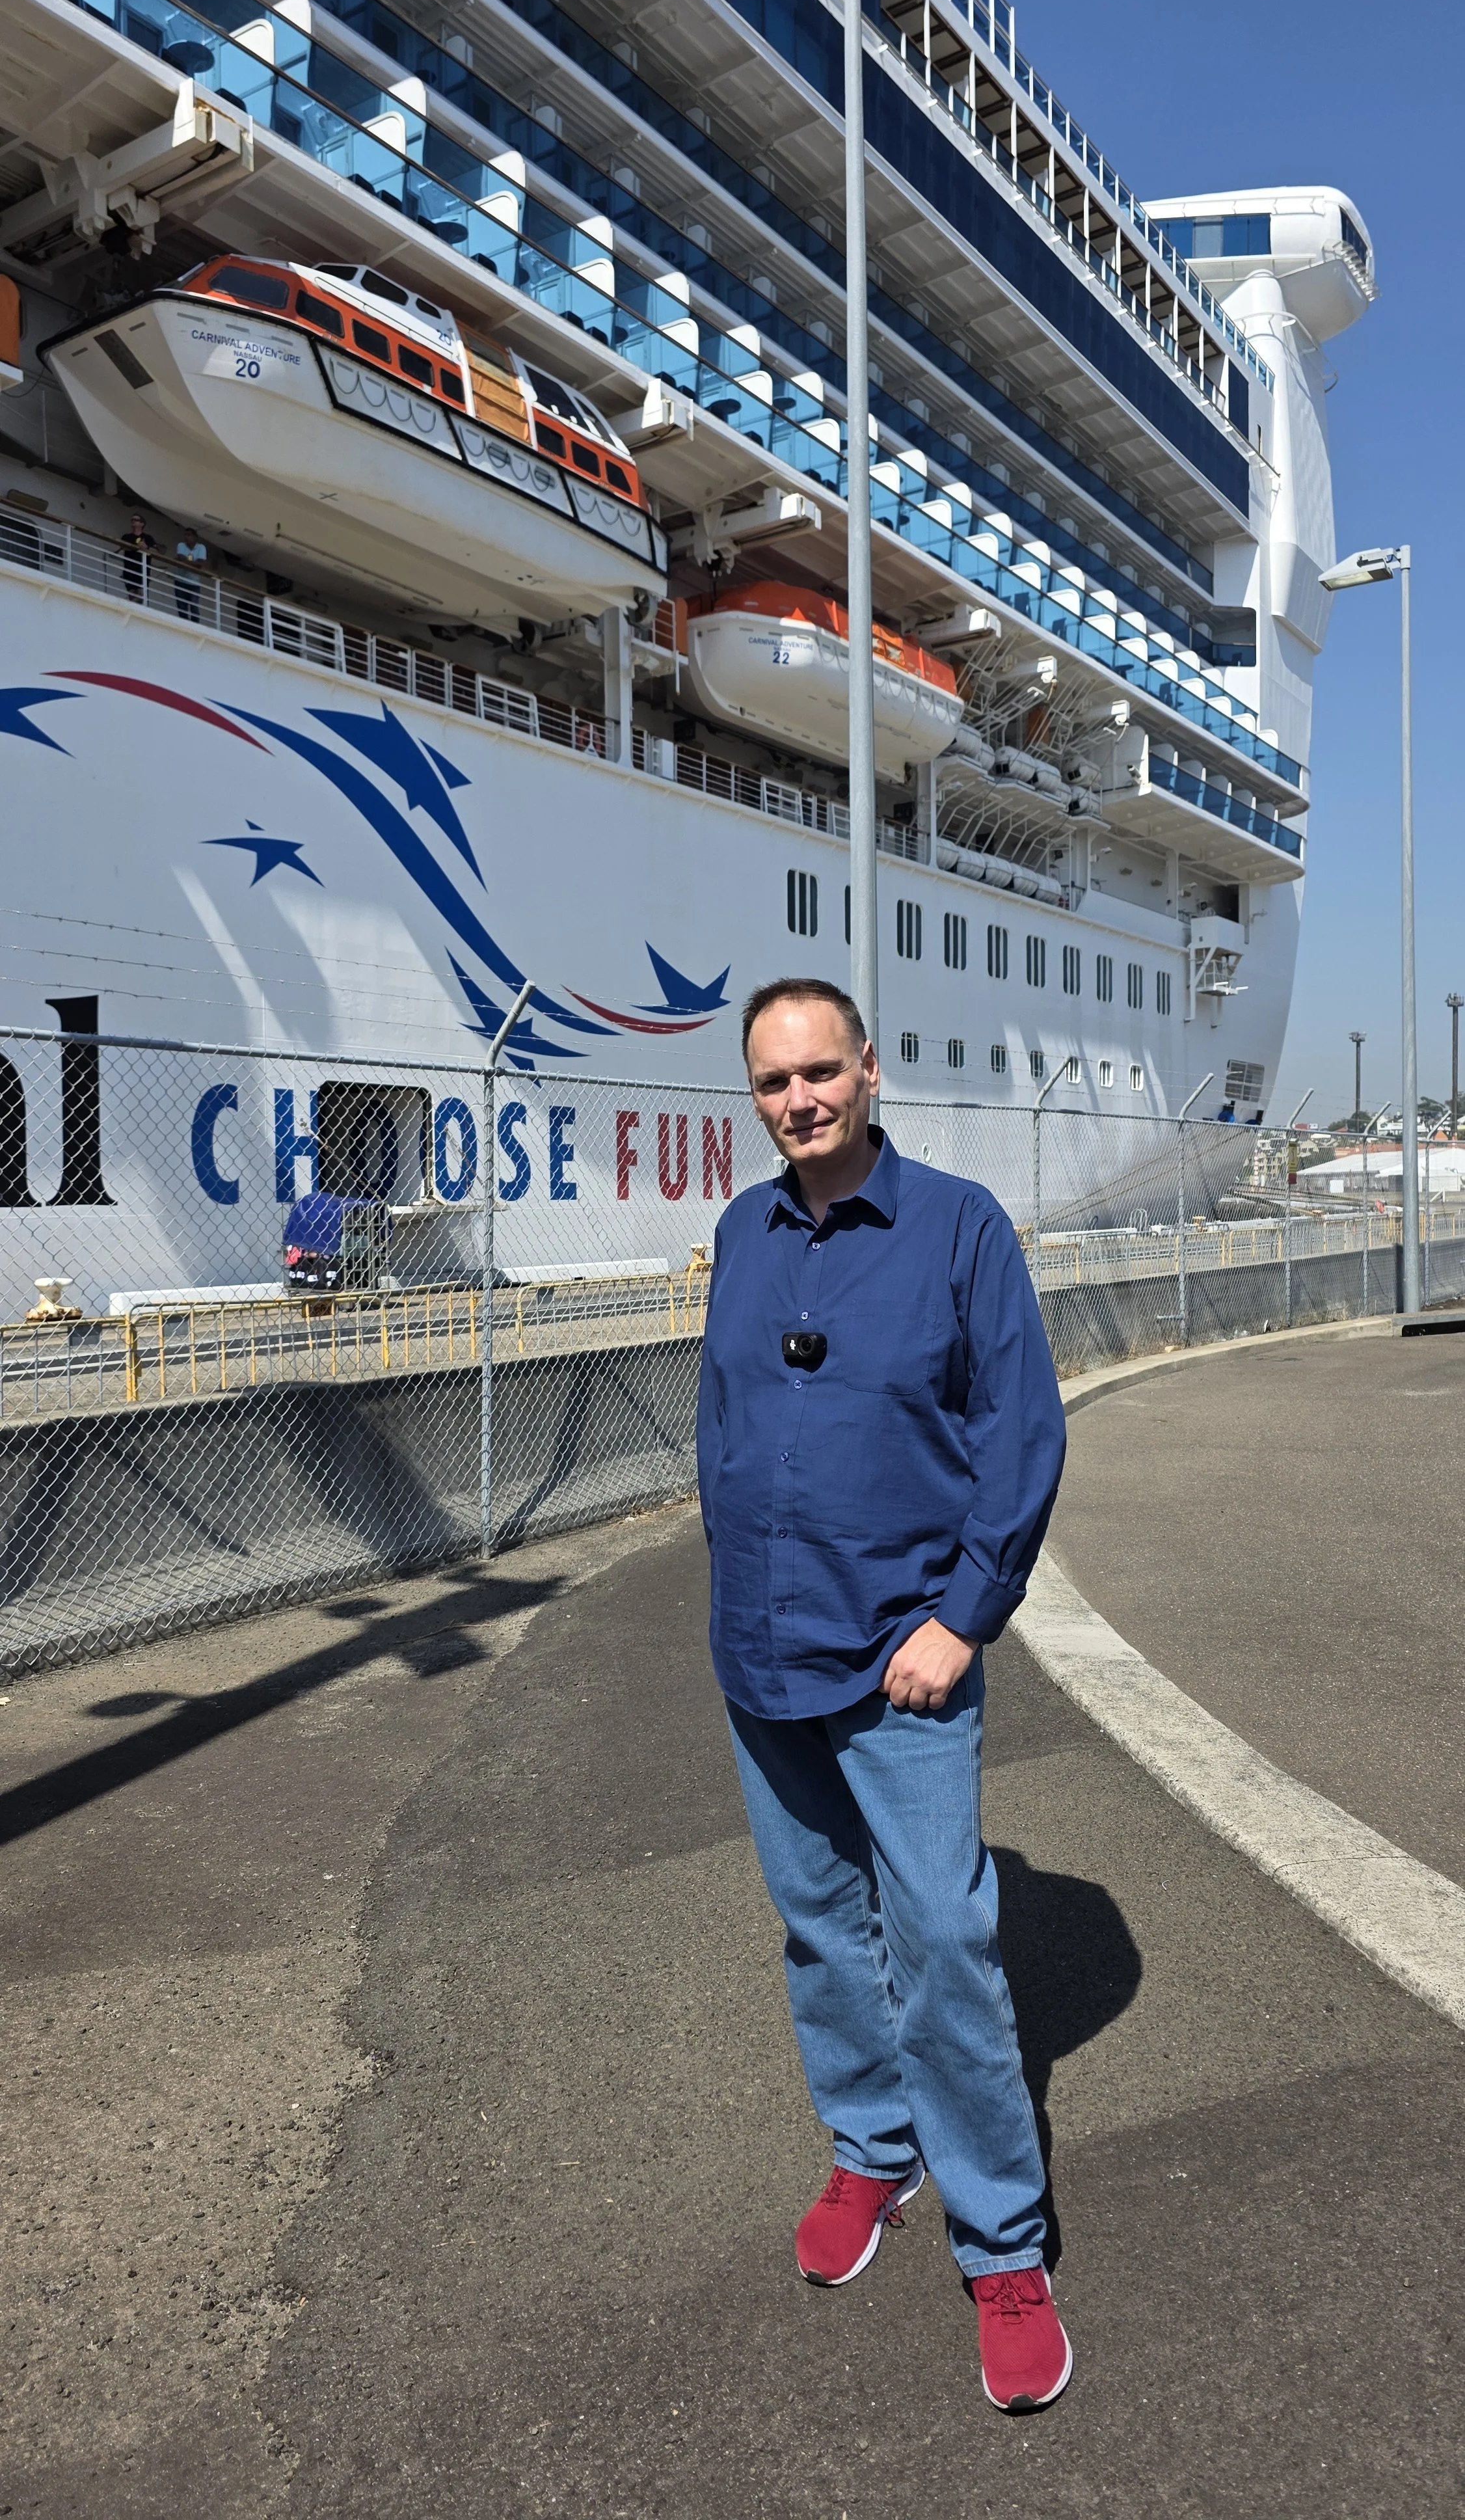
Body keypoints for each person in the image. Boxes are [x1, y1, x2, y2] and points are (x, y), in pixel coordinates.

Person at [696, 976, 1071, 2414]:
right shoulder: (742, 1229)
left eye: (818, 1073)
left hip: (898, 1658)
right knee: (817, 1927)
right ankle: (870, 2143)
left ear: (869, 1068)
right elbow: (725, 1415)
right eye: (772, 1082)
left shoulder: (959, 1228)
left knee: (947, 1940)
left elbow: (1019, 1439)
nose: (798, 1101)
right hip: (762, 1649)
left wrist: (963, 1617)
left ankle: (1004, 2244)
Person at [120, 511, 155, 605]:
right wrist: (136, 546)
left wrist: (146, 547)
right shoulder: (127, 537)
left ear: (142, 524)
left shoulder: (148, 538)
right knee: (132, 594)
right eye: (132, 520)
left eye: (136, 520)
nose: (133, 521)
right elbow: (123, 546)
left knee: (141, 595)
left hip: (143, 570)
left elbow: (156, 551)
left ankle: (132, 607)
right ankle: (131, 607)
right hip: (129, 569)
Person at [174, 527, 207, 622]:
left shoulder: (201, 547)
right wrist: (193, 564)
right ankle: (184, 623)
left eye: (189, 535)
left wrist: (185, 563)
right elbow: (182, 558)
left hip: (194, 583)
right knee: (181, 606)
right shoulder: (181, 545)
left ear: (195, 537)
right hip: (180, 580)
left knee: (194, 607)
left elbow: (200, 563)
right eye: (185, 535)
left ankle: (195, 625)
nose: (186, 537)